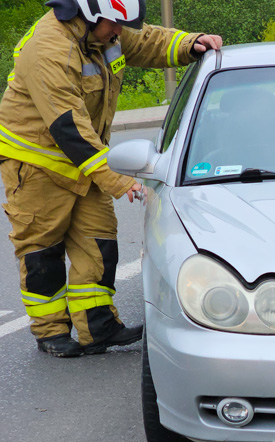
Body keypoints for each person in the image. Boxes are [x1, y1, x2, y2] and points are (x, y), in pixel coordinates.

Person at [0, 0, 222, 357]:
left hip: (86, 161)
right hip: (38, 164)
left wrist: (188, 44)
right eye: (115, 24)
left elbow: (146, 41)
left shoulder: (105, 32)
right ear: (88, 14)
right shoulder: (50, 48)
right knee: (43, 251)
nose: (120, 31)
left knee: (99, 244)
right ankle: (50, 332)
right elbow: (68, 128)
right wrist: (119, 180)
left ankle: (98, 327)